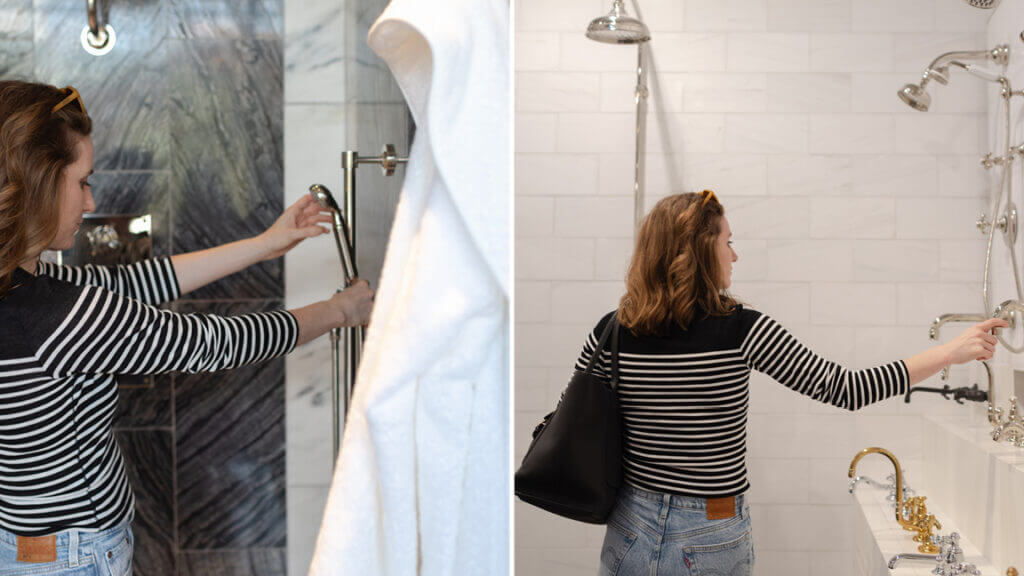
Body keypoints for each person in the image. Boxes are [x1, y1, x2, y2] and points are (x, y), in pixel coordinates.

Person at [0, 80, 374, 574]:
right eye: (82, 182)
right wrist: (341, 312)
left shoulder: (24, 284)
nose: (90, 204)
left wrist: (266, 243)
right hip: (75, 557)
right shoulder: (58, 315)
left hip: (23, 546)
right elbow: (213, 344)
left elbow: (133, 282)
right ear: (40, 182)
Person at [576, 190, 1006, 576]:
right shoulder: (740, 329)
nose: (734, 256)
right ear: (703, 251)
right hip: (709, 534)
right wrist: (950, 353)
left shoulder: (612, 331)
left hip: (630, 526)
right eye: (729, 242)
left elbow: (574, 417)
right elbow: (846, 388)